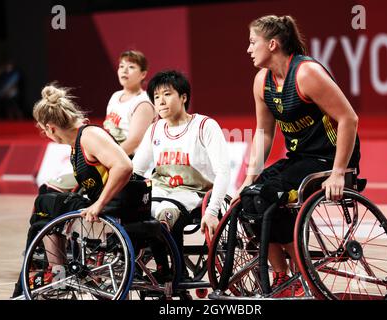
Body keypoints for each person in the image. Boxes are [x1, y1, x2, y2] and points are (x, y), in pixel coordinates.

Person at [235, 15, 361, 297]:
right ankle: (283, 274)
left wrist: (339, 171)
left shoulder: (306, 73)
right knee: (250, 196)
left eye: (252, 42)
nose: (248, 48)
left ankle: (300, 268)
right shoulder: (262, 81)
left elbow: (349, 119)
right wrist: (249, 177)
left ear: (273, 44)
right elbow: (264, 133)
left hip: (329, 159)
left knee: (268, 195)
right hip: (299, 159)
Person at [11, 84, 151, 297]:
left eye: (43, 130)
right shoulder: (78, 143)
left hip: (115, 208)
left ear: (50, 127)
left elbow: (124, 166)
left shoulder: (89, 136)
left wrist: (99, 204)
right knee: (45, 210)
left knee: (45, 203)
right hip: (109, 205)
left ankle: (52, 276)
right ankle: (56, 274)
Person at [132, 70, 230, 280]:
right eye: (156, 97)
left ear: (183, 97)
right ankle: (160, 269)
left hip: (194, 192)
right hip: (160, 189)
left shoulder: (205, 126)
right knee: (140, 210)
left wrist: (212, 211)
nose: (161, 101)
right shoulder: (156, 129)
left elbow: (223, 171)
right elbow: (136, 170)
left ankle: (178, 271)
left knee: (165, 213)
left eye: (167, 94)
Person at [46, 50, 156, 192]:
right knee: (52, 186)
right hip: (109, 158)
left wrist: (105, 158)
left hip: (128, 162)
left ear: (143, 74)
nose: (124, 70)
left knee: (64, 189)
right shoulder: (115, 96)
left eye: (131, 67)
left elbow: (134, 141)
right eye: (121, 66)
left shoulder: (143, 102)